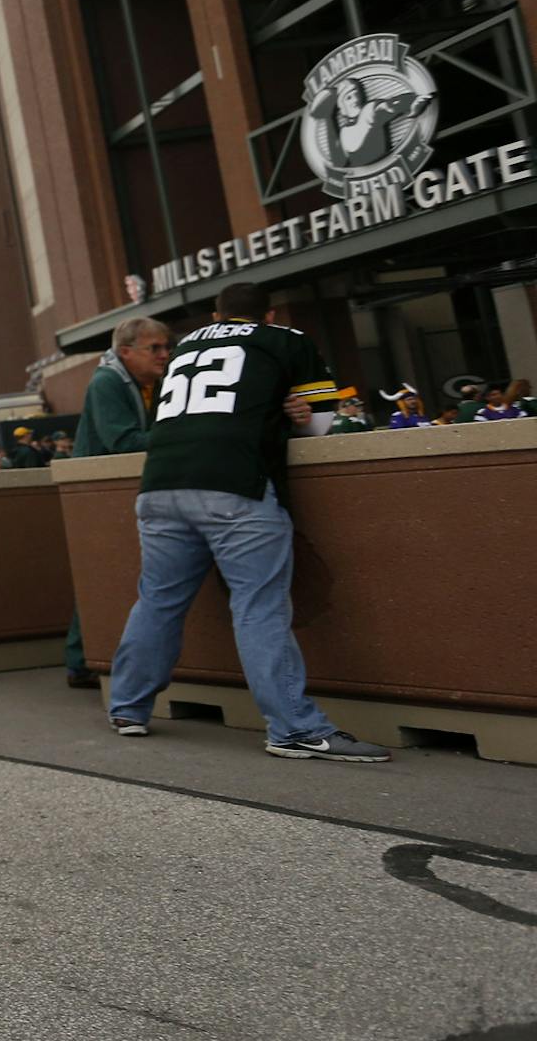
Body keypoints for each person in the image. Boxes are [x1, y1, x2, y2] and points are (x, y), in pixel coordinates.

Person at [104, 283, 390, 761]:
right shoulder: (284, 338)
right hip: (235, 486)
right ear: (270, 314)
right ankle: (294, 729)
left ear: (216, 315)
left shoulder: (185, 347)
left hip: (160, 485)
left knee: (158, 600)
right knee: (259, 607)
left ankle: (128, 706)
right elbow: (320, 425)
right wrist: (294, 414)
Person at [62, 317, 173, 686]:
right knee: (98, 571)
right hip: (96, 493)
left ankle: (83, 658)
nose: (164, 354)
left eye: (165, 347)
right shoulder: (107, 381)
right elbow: (123, 441)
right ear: (125, 352)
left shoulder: (151, 383)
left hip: (128, 489)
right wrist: (184, 436)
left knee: (102, 572)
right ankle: (80, 660)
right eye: (153, 348)